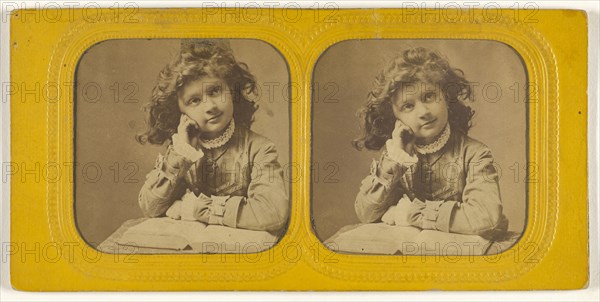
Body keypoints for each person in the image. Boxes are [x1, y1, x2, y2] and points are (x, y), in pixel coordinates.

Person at [135, 39, 289, 233]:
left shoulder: (259, 149)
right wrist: (181, 156)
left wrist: (195, 209)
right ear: (180, 112)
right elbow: (150, 207)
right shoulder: (183, 151)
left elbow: (273, 213)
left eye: (215, 91)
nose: (210, 107)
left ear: (232, 91)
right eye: (194, 100)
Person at [353, 47, 508, 238]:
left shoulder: (475, 154)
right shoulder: (397, 155)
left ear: (446, 97)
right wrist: (392, 164)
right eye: (408, 106)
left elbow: (486, 219)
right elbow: (365, 214)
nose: (424, 111)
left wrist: (411, 214)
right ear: (395, 117)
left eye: (429, 97)